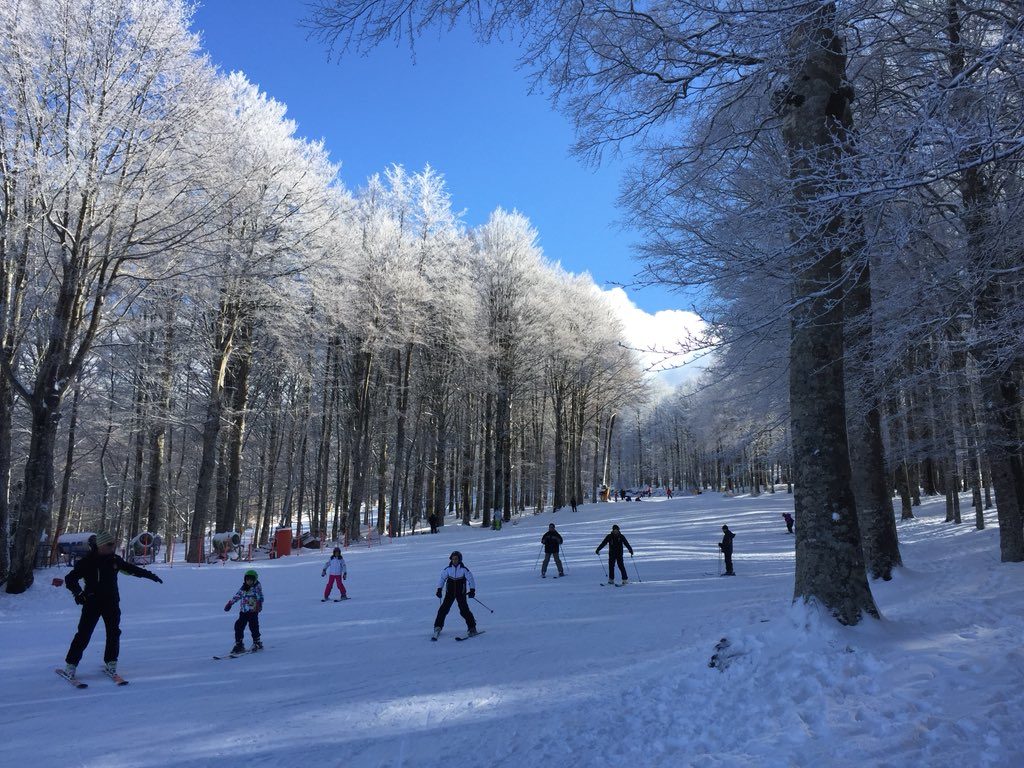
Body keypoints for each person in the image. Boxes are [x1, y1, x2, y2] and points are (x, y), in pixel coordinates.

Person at [62, 531, 163, 680]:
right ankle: (71, 665)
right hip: (92, 603)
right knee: (84, 634)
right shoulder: (87, 561)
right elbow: (70, 579)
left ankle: (111, 662)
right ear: (101, 545)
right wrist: (78, 594)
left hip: (111, 602)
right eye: (110, 544)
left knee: (114, 633)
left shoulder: (115, 560)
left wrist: (150, 575)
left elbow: (131, 569)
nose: (113, 547)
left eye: (114, 544)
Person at [433, 551, 478, 639]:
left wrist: (472, 590)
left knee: (464, 610)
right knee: (443, 609)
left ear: (459, 559)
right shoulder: (448, 569)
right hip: (449, 593)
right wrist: (439, 589)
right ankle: (438, 626)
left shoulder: (464, 569)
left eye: (456, 559)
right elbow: (442, 579)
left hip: (461, 593)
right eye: (453, 559)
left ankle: (472, 627)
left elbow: (471, 579)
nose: (454, 560)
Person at [224, 569, 264, 653]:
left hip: (253, 611)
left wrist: (259, 604)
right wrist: (230, 603)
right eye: (247, 579)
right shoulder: (243, 588)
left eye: (251, 580)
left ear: (255, 580)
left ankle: (257, 642)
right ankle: (239, 644)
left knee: (253, 627)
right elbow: (237, 596)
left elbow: (260, 597)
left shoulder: (256, 588)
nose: (248, 581)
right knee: (238, 626)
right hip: (243, 612)